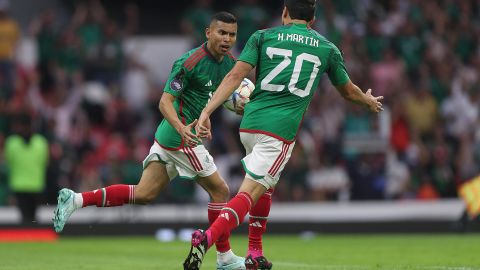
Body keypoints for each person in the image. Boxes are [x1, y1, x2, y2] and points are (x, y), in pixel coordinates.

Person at [183, 1, 384, 269]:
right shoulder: (327, 48)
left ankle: (255, 251)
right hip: (278, 132)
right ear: (312, 18)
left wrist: (208, 110)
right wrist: (367, 101)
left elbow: (234, 76)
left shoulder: (262, 36)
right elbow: (347, 91)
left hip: (250, 125)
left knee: (265, 187)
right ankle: (206, 239)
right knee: (249, 193)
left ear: (285, 13)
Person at [53, 12, 246, 270]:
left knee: (144, 194)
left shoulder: (229, 64)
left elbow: (202, 97)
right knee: (220, 190)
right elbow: (165, 101)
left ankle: (76, 199)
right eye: (222, 32)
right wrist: (183, 128)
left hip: (173, 135)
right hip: (179, 137)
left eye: (232, 34)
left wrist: (205, 118)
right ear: (208, 33)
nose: (227, 39)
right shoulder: (190, 62)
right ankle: (224, 258)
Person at [4, 113, 49, 224]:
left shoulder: (11, 143)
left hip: (21, 186)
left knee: (26, 218)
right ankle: (34, 238)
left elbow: (8, 162)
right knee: (32, 218)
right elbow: (46, 163)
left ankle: (29, 238)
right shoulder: (41, 142)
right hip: (35, 185)